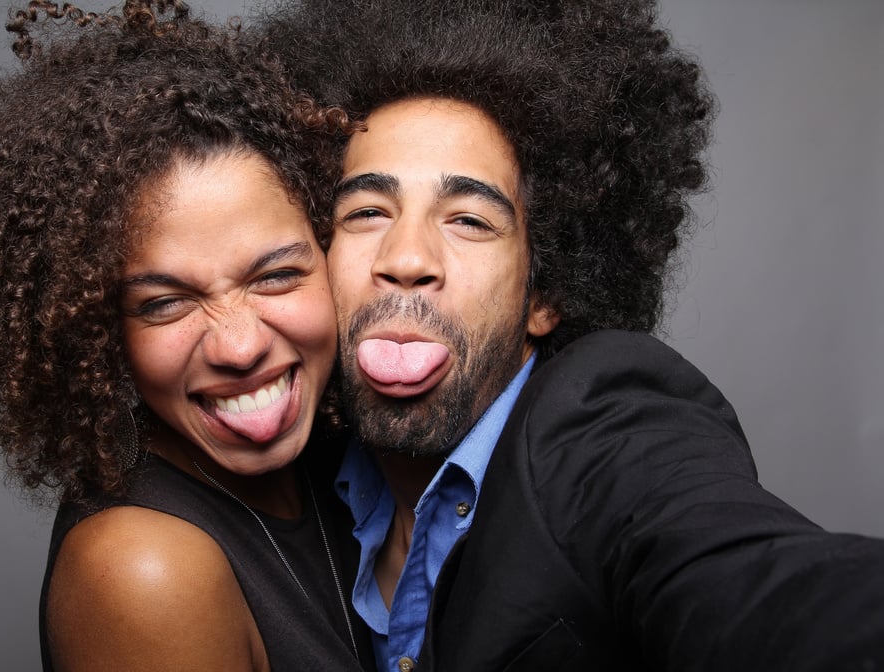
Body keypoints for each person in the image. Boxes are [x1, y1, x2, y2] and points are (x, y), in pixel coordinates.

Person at [260, 0, 884, 670]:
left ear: (545, 295)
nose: (405, 257)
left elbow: (763, 586)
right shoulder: (294, 455)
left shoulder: (602, 429)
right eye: (366, 210)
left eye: (468, 219)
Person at [0, 1, 373, 670]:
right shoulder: (144, 569)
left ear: (332, 255)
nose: (238, 347)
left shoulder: (355, 464)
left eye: (275, 277)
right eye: (166, 303)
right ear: (96, 329)